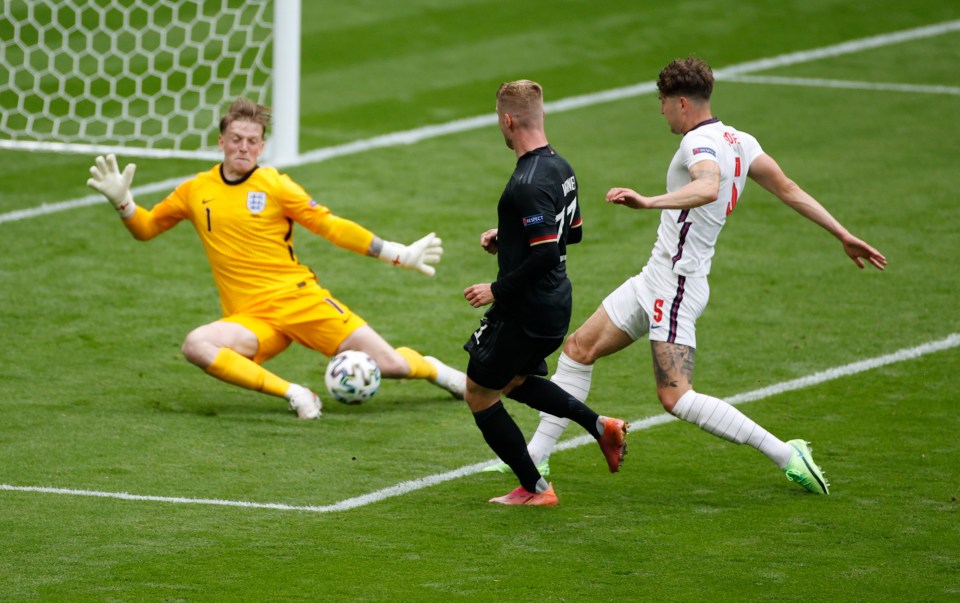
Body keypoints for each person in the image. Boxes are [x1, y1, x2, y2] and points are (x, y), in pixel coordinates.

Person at [488, 57, 887, 495]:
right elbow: (788, 188)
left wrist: (648, 201)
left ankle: (786, 452)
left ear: (681, 102)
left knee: (675, 397)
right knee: (580, 349)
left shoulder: (698, 144)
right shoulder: (741, 140)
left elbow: (707, 185)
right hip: (656, 276)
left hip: (677, 284)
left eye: (662, 103)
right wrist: (843, 234)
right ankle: (537, 455)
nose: (661, 112)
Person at [86, 97, 465, 419]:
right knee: (196, 345)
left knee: (393, 366)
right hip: (251, 318)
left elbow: (330, 226)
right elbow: (147, 228)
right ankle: (296, 394)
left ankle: (434, 369)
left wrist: (396, 253)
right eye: (236, 139)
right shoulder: (194, 190)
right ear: (221, 141)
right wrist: (123, 203)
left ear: (261, 146)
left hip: (300, 299)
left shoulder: (275, 185)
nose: (243, 147)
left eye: (252, 141)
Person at [462, 80, 629, 507]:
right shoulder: (561, 168)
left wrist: (495, 288)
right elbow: (571, 233)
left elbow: (547, 251)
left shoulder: (526, 182)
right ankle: (599, 427)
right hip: (554, 304)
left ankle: (535, 489)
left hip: (524, 309)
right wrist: (510, 236)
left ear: (507, 120)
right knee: (514, 381)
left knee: (480, 394)